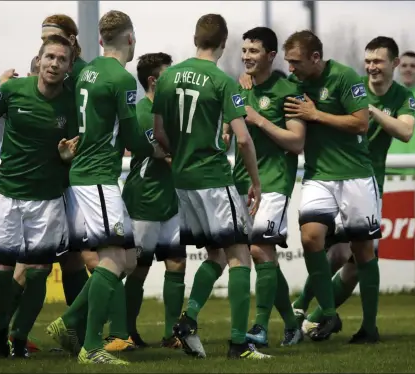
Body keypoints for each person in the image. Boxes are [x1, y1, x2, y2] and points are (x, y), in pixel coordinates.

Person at [152, 13, 270, 360]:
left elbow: (159, 133)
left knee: (215, 254)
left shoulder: (168, 77)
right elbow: (244, 139)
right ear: (224, 42)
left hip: (183, 180)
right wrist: (256, 182)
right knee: (240, 255)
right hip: (214, 178)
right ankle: (238, 344)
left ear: (194, 38)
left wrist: (180, 155)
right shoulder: (222, 81)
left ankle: (187, 322)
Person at [0, 13, 93, 354]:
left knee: (67, 260)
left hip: (70, 180)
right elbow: (21, 102)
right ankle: (3, 330)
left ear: (71, 41)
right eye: (44, 38)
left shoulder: (83, 73)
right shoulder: (39, 69)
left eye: (54, 36)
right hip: (41, 185)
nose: (46, 44)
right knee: (40, 264)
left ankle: (67, 331)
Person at [294, 36, 415, 344]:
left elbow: (405, 131)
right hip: (335, 177)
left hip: (368, 182)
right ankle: (302, 311)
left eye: (379, 61)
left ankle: (327, 321)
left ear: (394, 64)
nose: (372, 66)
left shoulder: (402, 95)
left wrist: (370, 110)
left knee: (356, 262)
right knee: (332, 252)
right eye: (369, 60)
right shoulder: (352, 83)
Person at [46, 10, 150, 365]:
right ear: (130, 39)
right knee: (116, 258)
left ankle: (71, 322)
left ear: (102, 40)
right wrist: (160, 145)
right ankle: (90, 345)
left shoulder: (87, 71)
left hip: (86, 176)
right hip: (98, 178)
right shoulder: (121, 79)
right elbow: (134, 137)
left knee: (129, 256)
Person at [281, 30, 381, 342]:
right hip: (318, 175)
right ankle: (326, 311)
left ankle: (369, 327)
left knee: (363, 251)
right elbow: (266, 87)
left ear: (315, 57)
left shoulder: (344, 77)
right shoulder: (294, 84)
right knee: (311, 238)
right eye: (287, 62)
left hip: (356, 176)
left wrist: (315, 114)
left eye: (296, 62)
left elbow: (361, 122)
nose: (291, 68)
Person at [230, 27, 305, 348]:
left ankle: (260, 327)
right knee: (261, 255)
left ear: (271, 55)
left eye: (254, 51)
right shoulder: (239, 87)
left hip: (275, 181)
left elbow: (297, 141)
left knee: (260, 249)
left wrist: (259, 120)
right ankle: (291, 322)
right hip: (242, 182)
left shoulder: (290, 90)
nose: (246, 56)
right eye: (244, 50)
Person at [121, 52, 186, 350]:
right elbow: (167, 155)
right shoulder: (143, 112)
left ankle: (172, 333)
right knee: (138, 268)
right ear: (153, 80)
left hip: (170, 200)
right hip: (144, 200)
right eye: (168, 75)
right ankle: (125, 331)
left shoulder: (168, 110)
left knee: (176, 263)